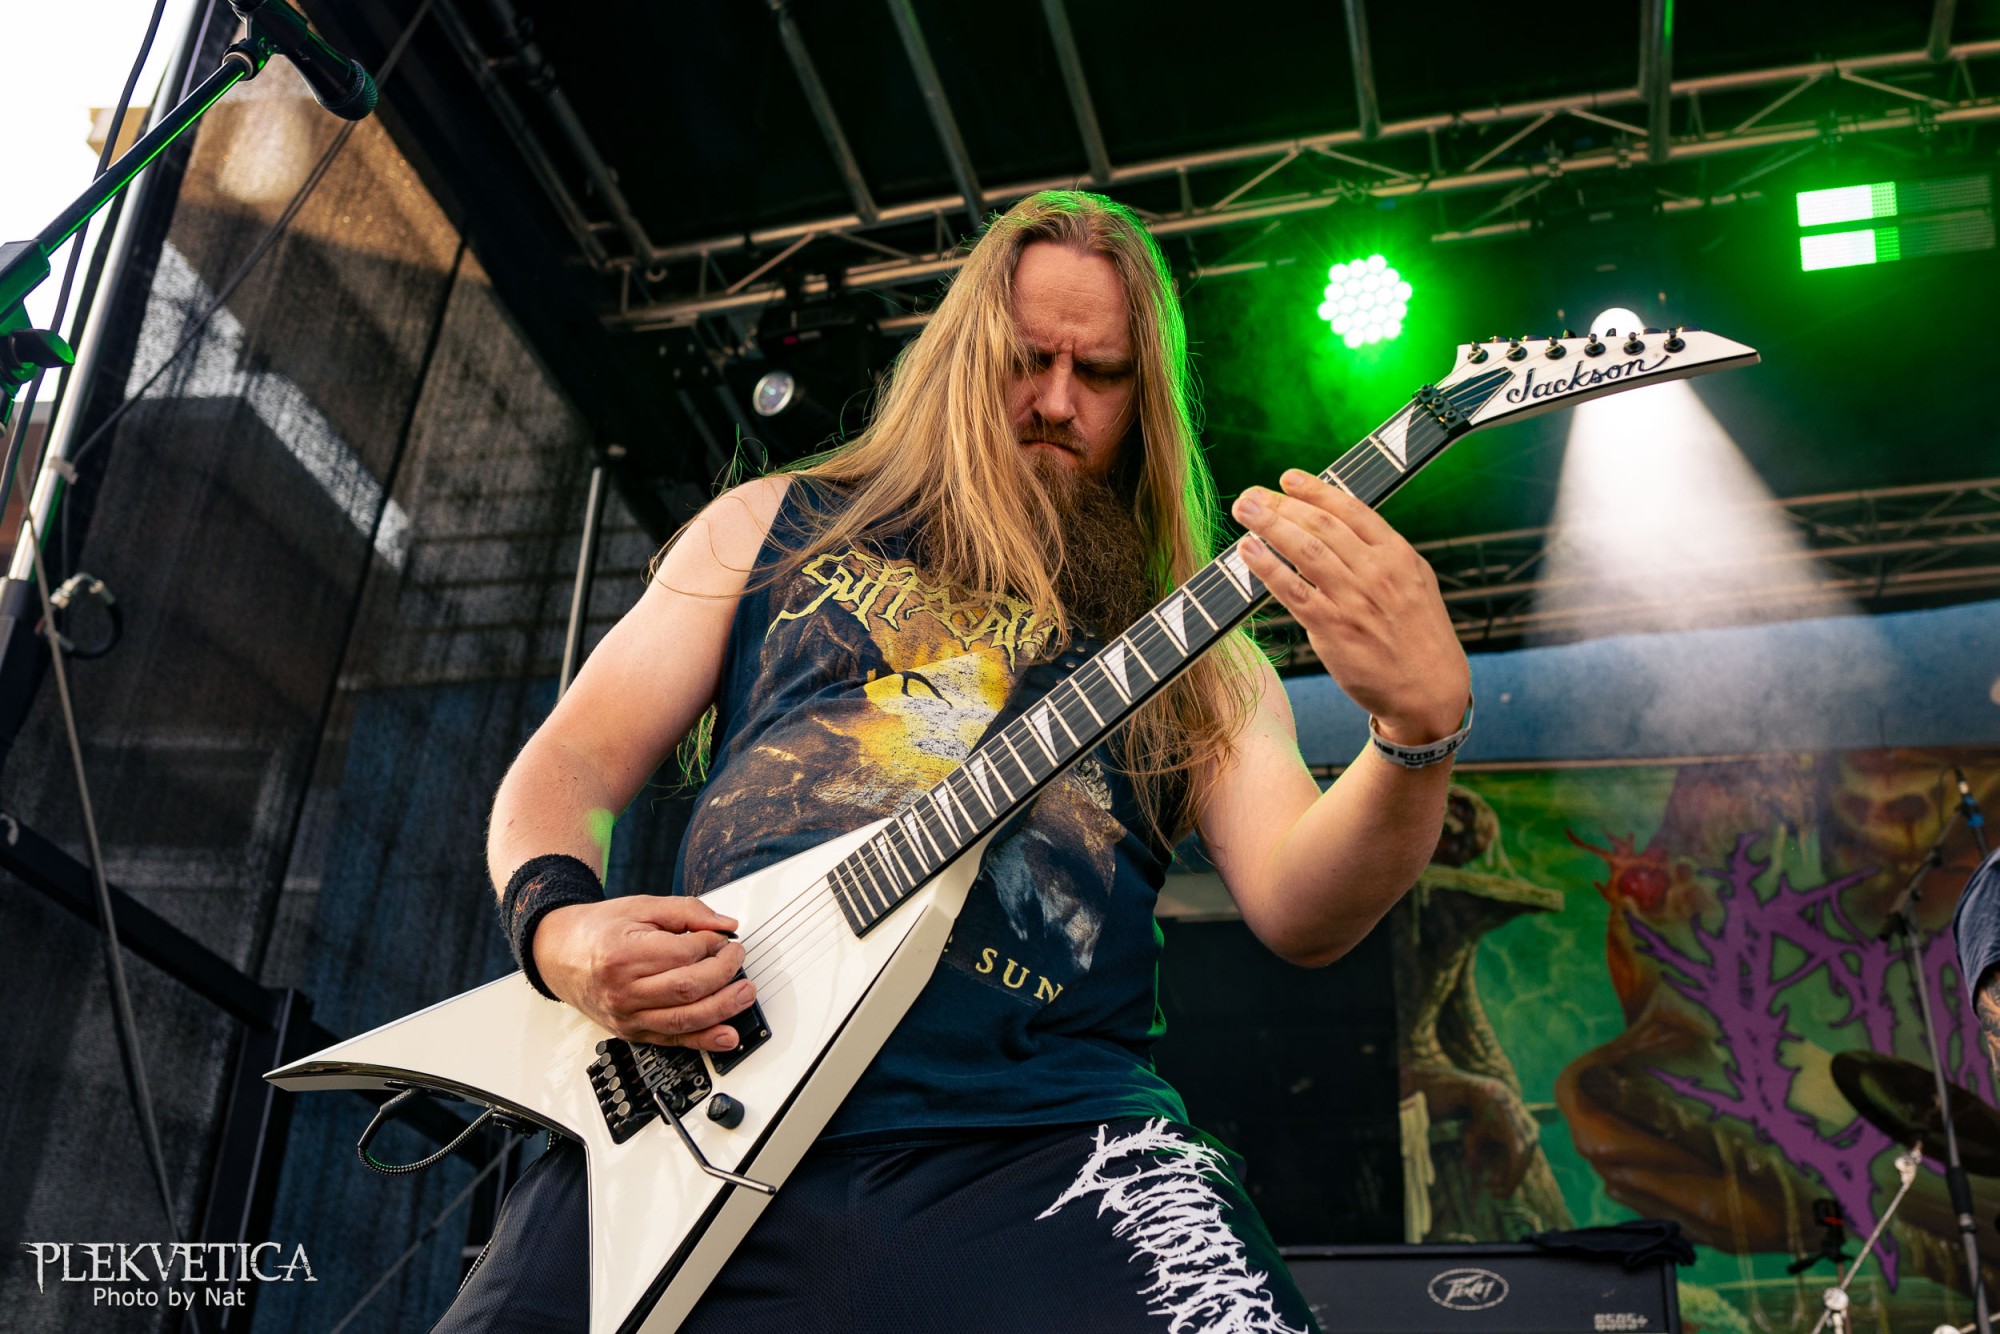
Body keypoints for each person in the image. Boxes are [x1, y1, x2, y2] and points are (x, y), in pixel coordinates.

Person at [437, 190, 1470, 1333]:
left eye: (1101, 373)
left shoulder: (1198, 646)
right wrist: (561, 930)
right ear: (960, 356)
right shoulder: (773, 523)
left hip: (1044, 1140)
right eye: (1027, 360)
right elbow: (572, 758)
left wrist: (1413, 736)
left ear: (1145, 399)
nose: (1057, 401)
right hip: (695, 1108)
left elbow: (1301, 902)